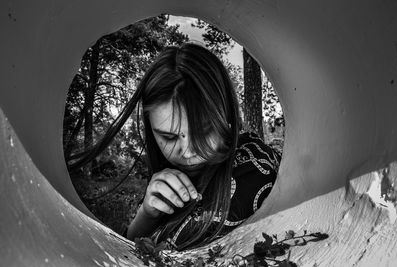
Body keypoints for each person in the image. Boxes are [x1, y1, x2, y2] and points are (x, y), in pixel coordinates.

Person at [72, 43, 281, 250]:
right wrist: (146, 215)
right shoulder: (165, 175)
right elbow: (130, 249)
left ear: (226, 115)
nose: (188, 152)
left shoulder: (254, 170)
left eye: (204, 132)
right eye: (169, 137)